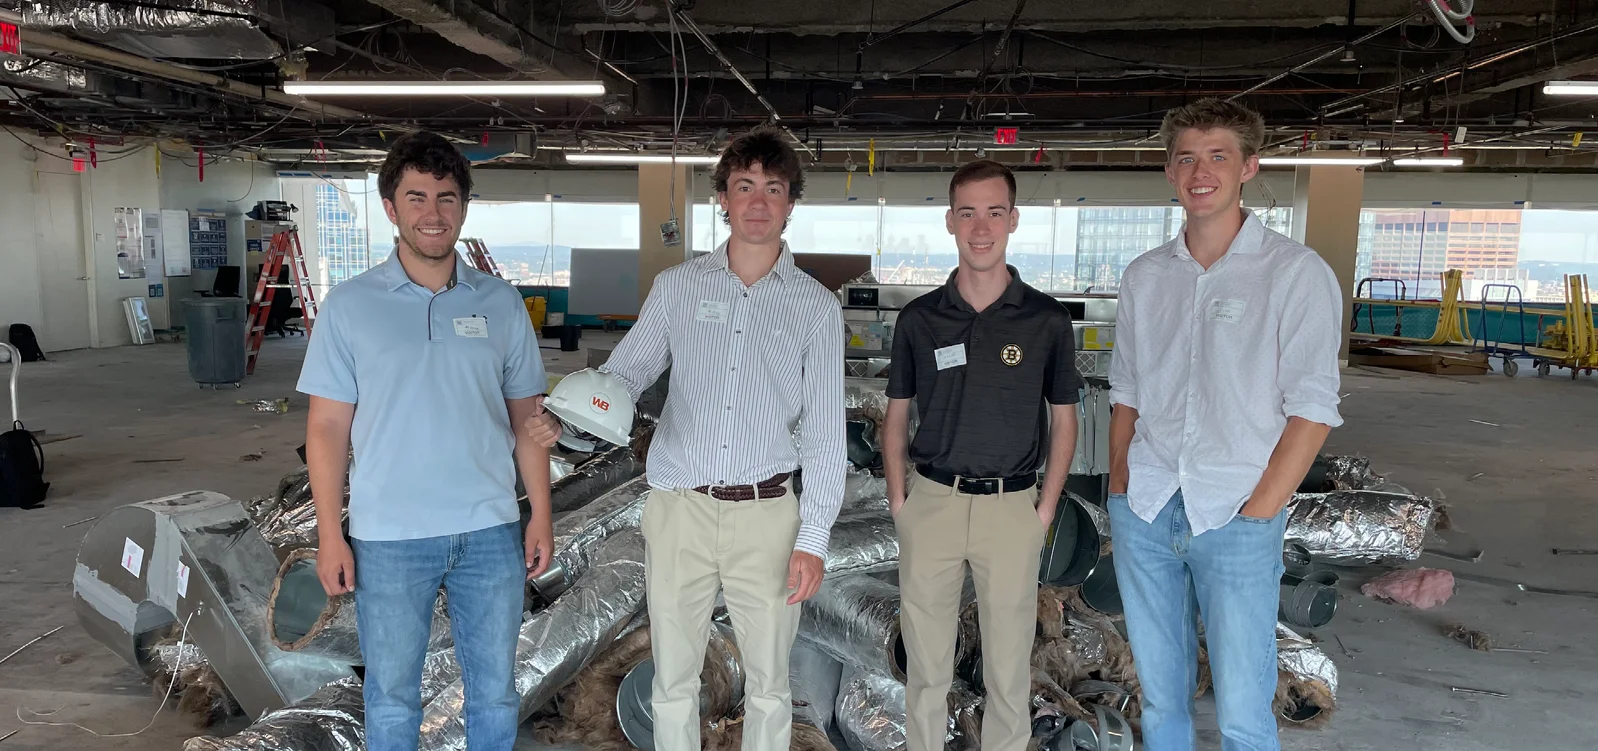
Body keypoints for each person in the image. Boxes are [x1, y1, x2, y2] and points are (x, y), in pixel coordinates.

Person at [525, 127, 846, 751]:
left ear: (789, 204)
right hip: (680, 512)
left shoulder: (815, 308)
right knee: (672, 678)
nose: (757, 202)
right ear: (722, 198)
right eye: (744, 187)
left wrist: (812, 540)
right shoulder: (679, 287)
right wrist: (569, 417)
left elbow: (828, 438)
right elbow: (625, 374)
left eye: (772, 189)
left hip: (768, 516)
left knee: (769, 685)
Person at [298, 131, 555, 751]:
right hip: (388, 537)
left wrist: (541, 514)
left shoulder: (500, 303)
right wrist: (331, 533)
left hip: (489, 531)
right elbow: (327, 427)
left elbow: (528, 418)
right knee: (391, 699)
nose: (432, 214)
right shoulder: (350, 307)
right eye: (416, 197)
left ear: (464, 206)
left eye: (446, 197)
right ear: (391, 207)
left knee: (493, 691)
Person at [1106, 98, 1343, 751]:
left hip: (1237, 513)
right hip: (1148, 507)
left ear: (1249, 167)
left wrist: (1261, 508)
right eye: (1186, 156)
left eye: (1217, 155)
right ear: (1169, 171)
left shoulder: (1294, 274)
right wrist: (1122, 482)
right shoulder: (1145, 277)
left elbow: (1313, 407)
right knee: (1160, 697)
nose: (1199, 170)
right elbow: (1125, 388)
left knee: (1242, 708)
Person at [881, 159, 1084, 751]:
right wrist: (901, 503)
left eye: (994, 212)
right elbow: (897, 415)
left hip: (1011, 509)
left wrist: (1043, 510)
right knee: (926, 670)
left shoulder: (1046, 320)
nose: (980, 226)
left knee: (1007, 669)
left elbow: (1064, 420)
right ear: (950, 221)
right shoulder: (920, 319)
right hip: (933, 504)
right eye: (967, 212)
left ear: (1013, 219)